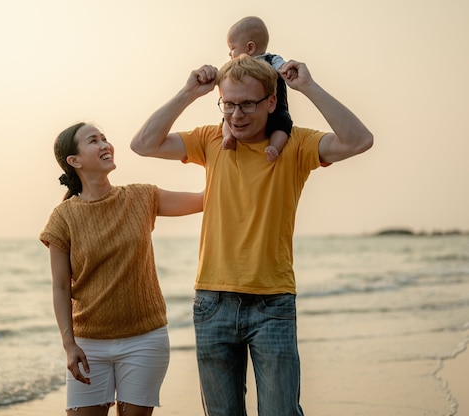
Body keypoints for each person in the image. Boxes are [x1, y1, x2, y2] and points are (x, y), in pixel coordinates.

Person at [130, 55, 373, 415]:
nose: (237, 115)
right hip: (213, 302)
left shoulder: (295, 145)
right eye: (228, 104)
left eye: (247, 104)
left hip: (272, 302)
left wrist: (307, 86)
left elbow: (359, 140)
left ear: (271, 101)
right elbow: (143, 143)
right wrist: (187, 93)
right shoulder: (211, 139)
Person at [39, 122, 203, 416]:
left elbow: (204, 200)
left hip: (145, 339)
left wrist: (230, 155)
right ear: (74, 161)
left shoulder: (141, 197)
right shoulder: (63, 217)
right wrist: (69, 344)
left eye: (104, 138)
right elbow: (61, 286)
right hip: (89, 346)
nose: (105, 145)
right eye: (93, 141)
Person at [222, 16, 292, 162]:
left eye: (232, 48)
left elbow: (282, 67)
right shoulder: (237, 69)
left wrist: (288, 71)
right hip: (254, 114)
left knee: (282, 126)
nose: (230, 54)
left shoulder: (271, 60)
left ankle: (274, 147)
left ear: (250, 48)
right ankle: (228, 137)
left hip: (277, 109)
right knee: (227, 121)